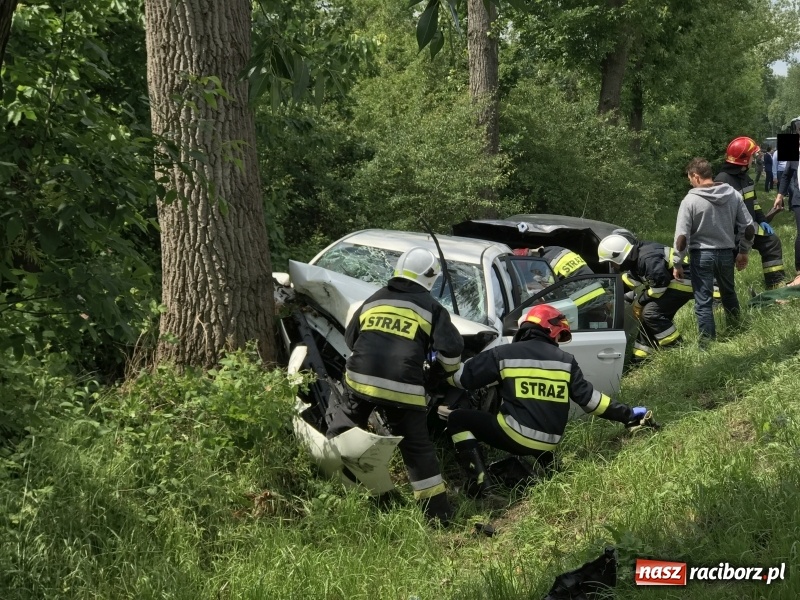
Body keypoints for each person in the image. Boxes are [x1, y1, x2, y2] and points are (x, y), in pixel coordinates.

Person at [444, 303, 651, 497]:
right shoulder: (566, 361)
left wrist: (442, 365)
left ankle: (480, 487)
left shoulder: (504, 353)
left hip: (516, 436)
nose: (557, 342)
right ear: (550, 330)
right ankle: (554, 473)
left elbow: (461, 379)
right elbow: (592, 402)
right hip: (550, 442)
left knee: (458, 419)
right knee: (535, 420)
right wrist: (628, 414)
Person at [325, 247, 464, 524]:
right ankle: (437, 516)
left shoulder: (374, 299)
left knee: (342, 429)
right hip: (404, 390)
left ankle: (329, 488)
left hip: (360, 382)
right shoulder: (432, 308)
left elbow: (352, 341)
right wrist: (433, 375)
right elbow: (451, 356)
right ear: (430, 278)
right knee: (417, 450)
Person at [674, 158, 755, 344]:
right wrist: (744, 251)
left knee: (703, 302)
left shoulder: (690, 200)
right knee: (729, 294)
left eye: (689, 178)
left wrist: (678, 262)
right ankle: (737, 332)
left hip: (701, 256)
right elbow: (748, 226)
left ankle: (707, 345)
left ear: (696, 176)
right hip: (727, 253)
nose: (690, 182)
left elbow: (681, 238)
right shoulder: (733, 195)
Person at [597, 234, 693, 362]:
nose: (612, 267)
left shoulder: (647, 258)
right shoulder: (637, 256)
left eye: (611, 263)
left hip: (684, 282)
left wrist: (639, 302)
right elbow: (631, 281)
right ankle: (639, 359)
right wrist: (610, 294)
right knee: (648, 317)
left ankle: (676, 350)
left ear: (617, 256)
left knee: (651, 313)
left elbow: (659, 286)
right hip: (671, 282)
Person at [714, 137, 786, 289]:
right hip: (729, 232)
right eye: (752, 156)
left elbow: (754, 204)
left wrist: (762, 220)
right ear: (744, 159)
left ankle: (775, 283)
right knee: (724, 259)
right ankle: (718, 300)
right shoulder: (722, 181)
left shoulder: (746, 179)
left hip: (749, 227)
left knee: (771, 241)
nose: (754, 159)